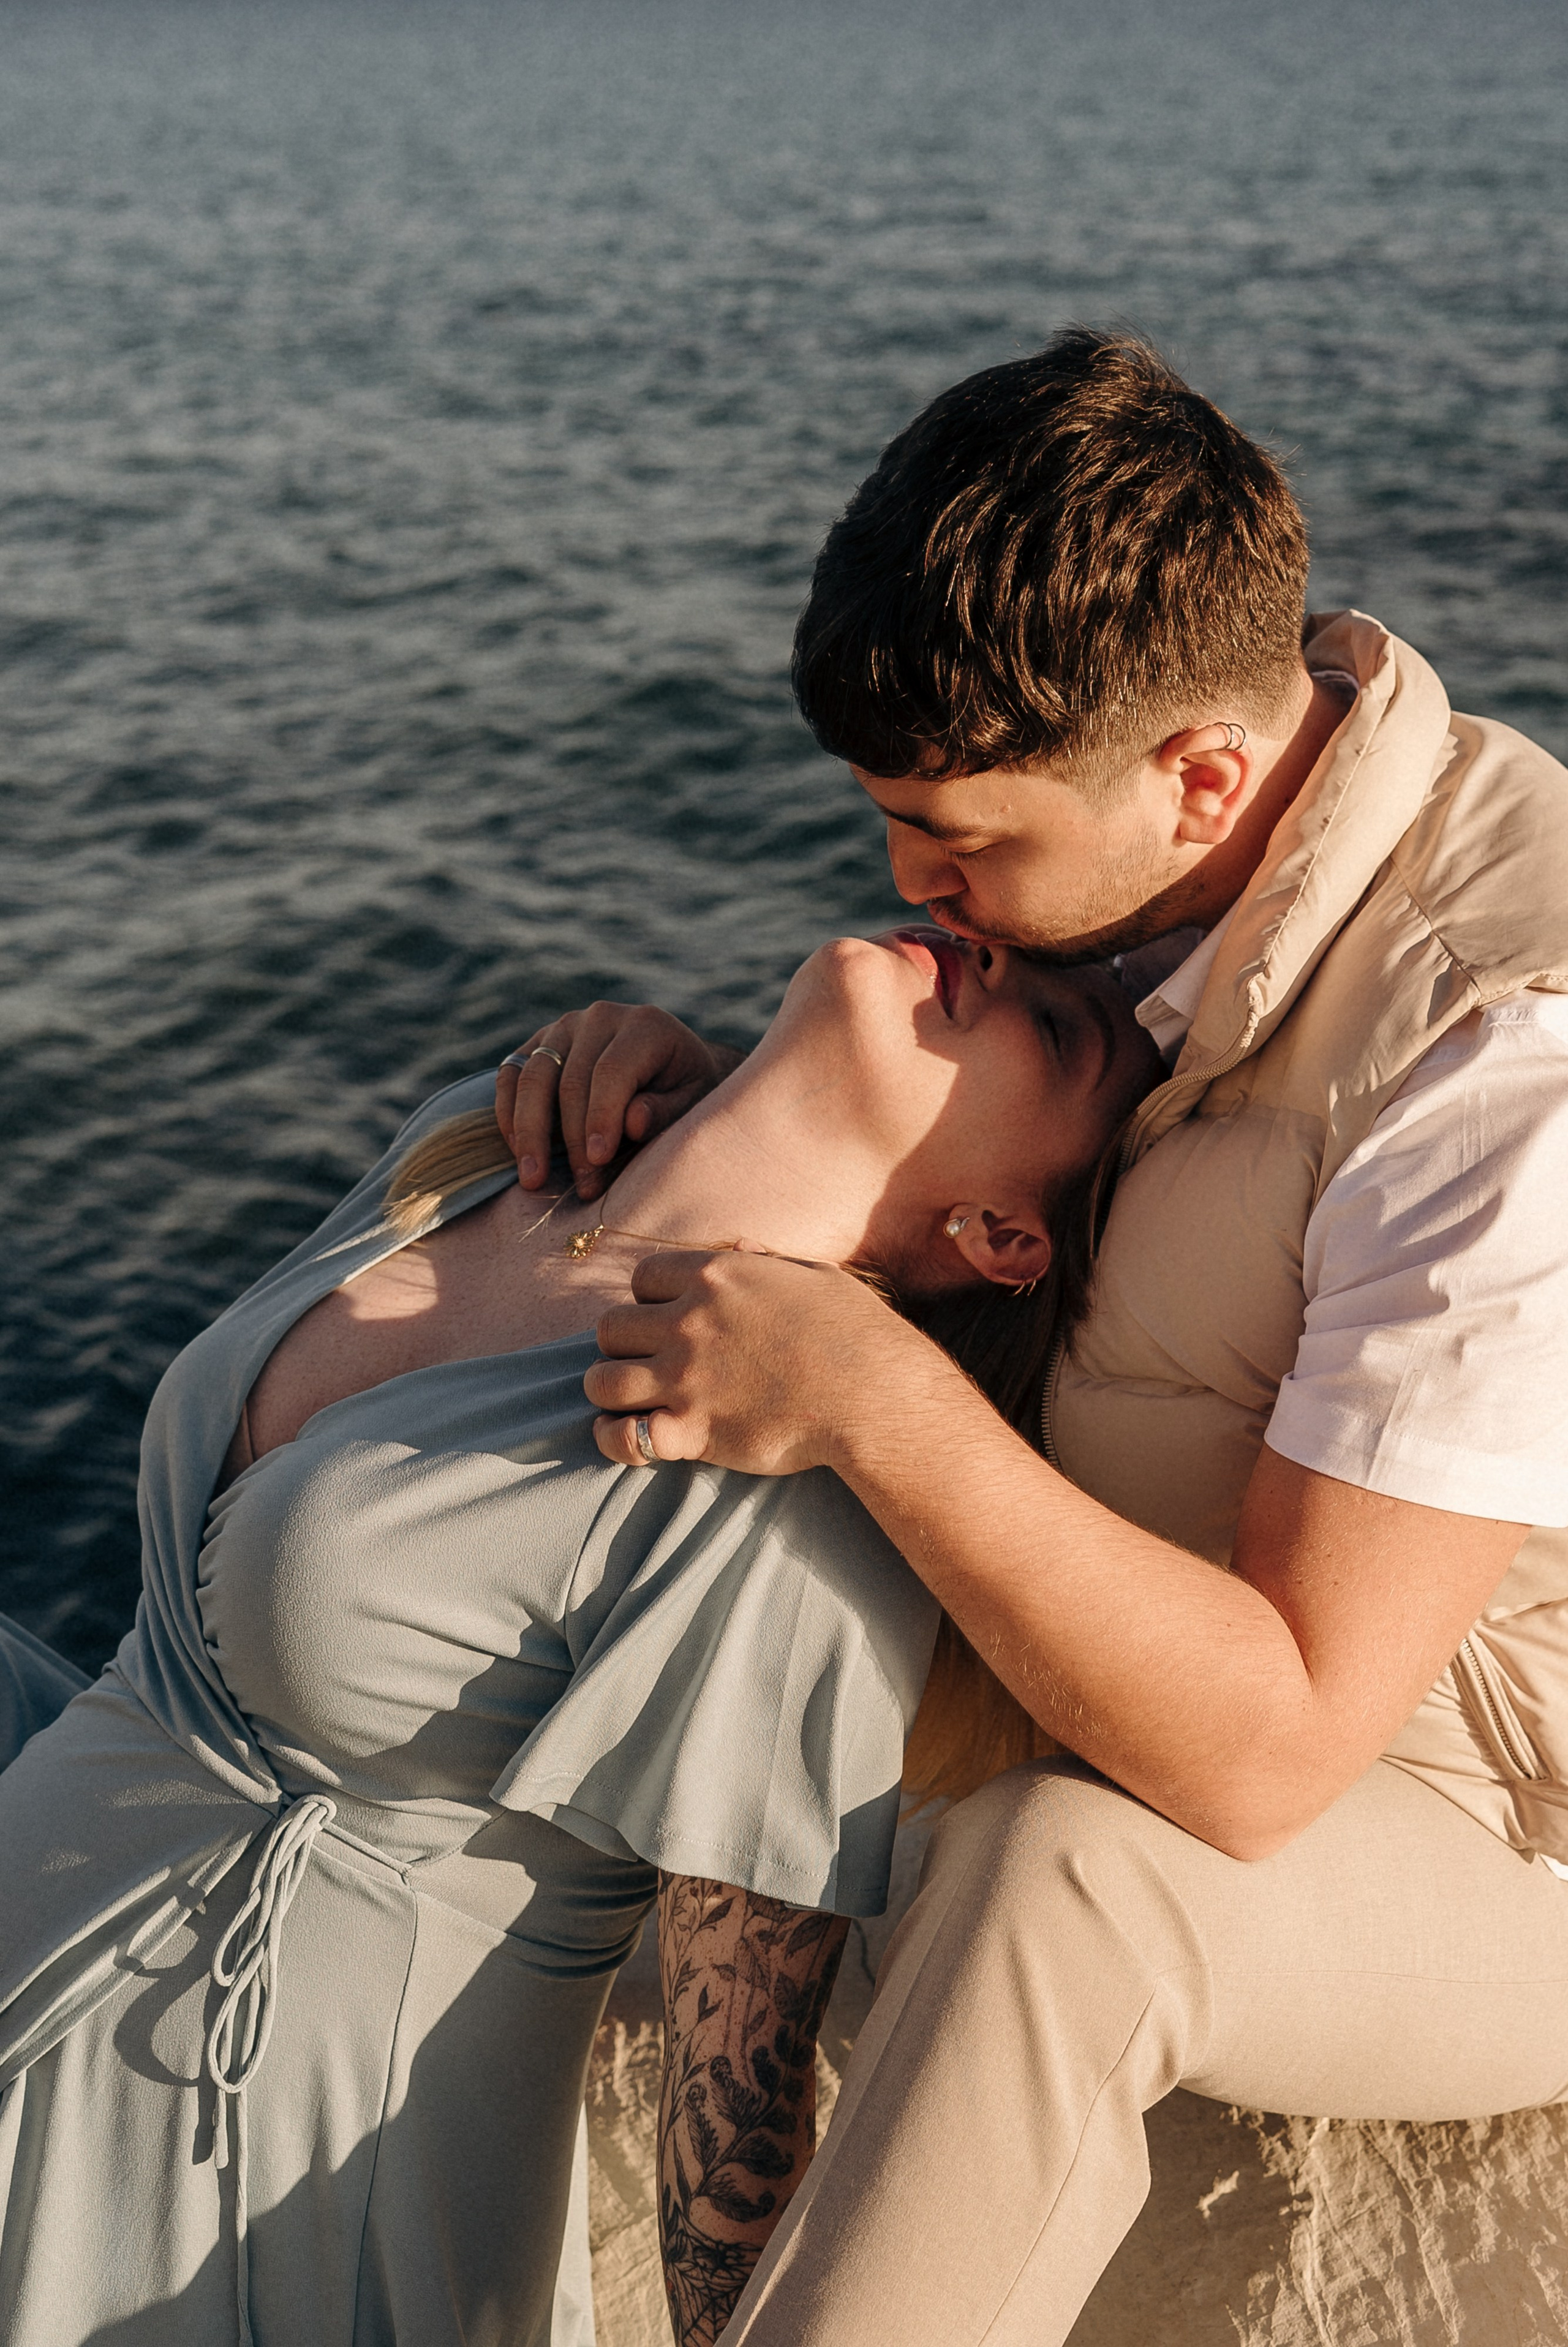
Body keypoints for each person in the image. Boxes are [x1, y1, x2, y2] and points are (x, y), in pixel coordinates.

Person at [507, 329, 1568, 2345]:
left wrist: (886, 1405)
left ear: (1204, 775)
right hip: (1095, 1639)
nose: (915, 885)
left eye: (959, 838)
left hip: (1493, 1820)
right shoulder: (1151, 863)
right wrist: (720, 1109)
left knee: (1061, 1887)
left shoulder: (1501, 1059)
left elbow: (1272, 1757)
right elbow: (1058, 1205)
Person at [0, 918, 1153, 2347]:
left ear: (999, 1233)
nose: (984, 953)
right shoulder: (490, 1151)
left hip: (236, 2176)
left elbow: (732, 2121)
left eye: (1054, 1031)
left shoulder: (777, 1486)